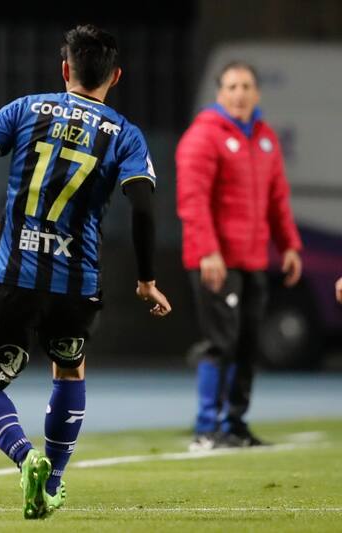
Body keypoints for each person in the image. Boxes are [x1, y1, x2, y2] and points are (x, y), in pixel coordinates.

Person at [0, 25, 171, 520]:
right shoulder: (124, 134)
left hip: (13, 279)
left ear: (64, 68)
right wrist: (146, 279)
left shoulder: (27, 109)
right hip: (77, 287)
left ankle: (25, 456)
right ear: (116, 76)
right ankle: (51, 482)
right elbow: (142, 207)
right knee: (69, 368)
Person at [176, 61, 302, 451]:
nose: (240, 94)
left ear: (257, 94)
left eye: (246, 86)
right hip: (216, 261)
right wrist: (208, 252)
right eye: (232, 86)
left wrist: (290, 246)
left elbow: (277, 199)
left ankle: (235, 424)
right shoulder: (203, 137)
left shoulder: (265, 139)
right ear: (219, 93)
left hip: (252, 260)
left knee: (247, 345)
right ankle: (205, 428)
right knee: (220, 342)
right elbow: (192, 201)